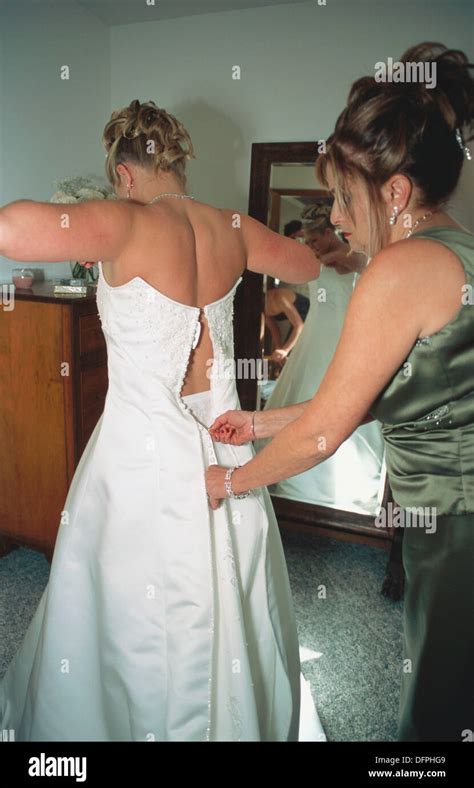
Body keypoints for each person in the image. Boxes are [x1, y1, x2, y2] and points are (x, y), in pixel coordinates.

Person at [0, 99, 324, 741]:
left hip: (140, 450)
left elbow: (10, 229)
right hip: (227, 441)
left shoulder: (124, 224)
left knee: (129, 609)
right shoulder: (230, 225)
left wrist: (98, 223)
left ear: (123, 174)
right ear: (177, 162)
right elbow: (307, 266)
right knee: (233, 590)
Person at [206, 43, 474, 741]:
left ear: (395, 192)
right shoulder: (459, 248)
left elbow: (327, 431)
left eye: (345, 196)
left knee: (438, 717)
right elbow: (368, 401)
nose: (336, 217)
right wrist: (259, 425)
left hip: (457, 525)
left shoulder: (402, 268)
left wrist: (229, 484)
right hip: (448, 516)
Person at [258, 211, 385, 514]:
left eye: (315, 239)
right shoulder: (312, 258)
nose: (311, 245)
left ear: (330, 232)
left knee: (340, 394)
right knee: (306, 388)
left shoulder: (352, 254)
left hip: (345, 332)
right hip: (315, 332)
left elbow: (358, 266)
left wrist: (329, 255)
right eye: (307, 241)